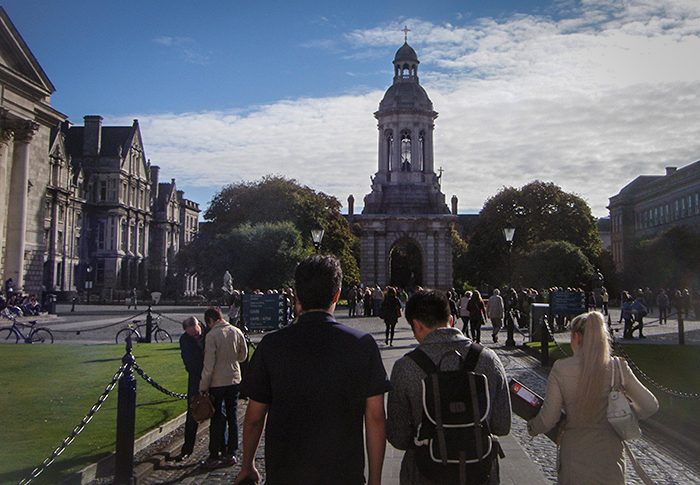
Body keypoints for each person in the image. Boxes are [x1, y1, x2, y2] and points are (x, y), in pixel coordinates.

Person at [234, 255, 390, 485]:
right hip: (343, 475)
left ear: (297, 295)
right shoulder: (362, 345)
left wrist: (247, 465)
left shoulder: (271, 345)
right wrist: (375, 480)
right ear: (337, 294)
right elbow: (376, 418)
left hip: (286, 474)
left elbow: (254, 418)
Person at [387, 290, 512, 485]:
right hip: (479, 472)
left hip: (425, 472)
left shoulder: (405, 367)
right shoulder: (488, 359)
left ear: (417, 325)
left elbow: (398, 437)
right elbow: (502, 426)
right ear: (451, 319)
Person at [527, 312, 659, 485]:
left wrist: (532, 427)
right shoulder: (617, 367)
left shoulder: (561, 368)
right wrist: (624, 412)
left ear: (576, 337)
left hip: (575, 453)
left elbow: (549, 418)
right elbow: (650, 405)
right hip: (610, 454)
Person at [199, 307, 248, 469]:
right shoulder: (235, 331)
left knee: (217, 418)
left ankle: (214, 454)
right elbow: (243, 355)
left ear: (210, 321)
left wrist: (203, 386)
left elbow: (209, 364)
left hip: (217, 382)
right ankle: (231, 452)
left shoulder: (212, 335)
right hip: (234, 379)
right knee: (232, 416)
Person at [178, 316, 205, 461]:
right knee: (192, 412)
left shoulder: (209, 333)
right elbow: (188, 360)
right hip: (196, 377)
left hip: (213, 376)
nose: (195, 336)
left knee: (220, 412)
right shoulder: (184, 340)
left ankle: (220, 448)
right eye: (192, 334)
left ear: (199, 325)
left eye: (196, 333)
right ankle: (187, 448)